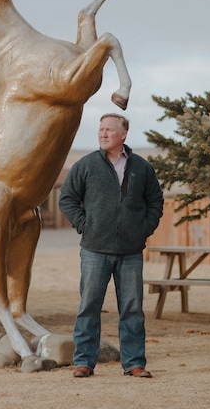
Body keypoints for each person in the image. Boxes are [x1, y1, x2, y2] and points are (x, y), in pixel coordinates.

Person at [59, 113, 163, 378]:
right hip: (94, 249)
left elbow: (155, 201)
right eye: (101, 129)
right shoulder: (85, 165)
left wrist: (143, 229)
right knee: (89, 306)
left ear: (124, 134)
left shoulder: (141, 167)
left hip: (131, 252)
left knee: (132, 309)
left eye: (109, 130)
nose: (103, 134)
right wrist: (85, 225)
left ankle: (134, 363)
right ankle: (84, 362)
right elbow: (67, 199)